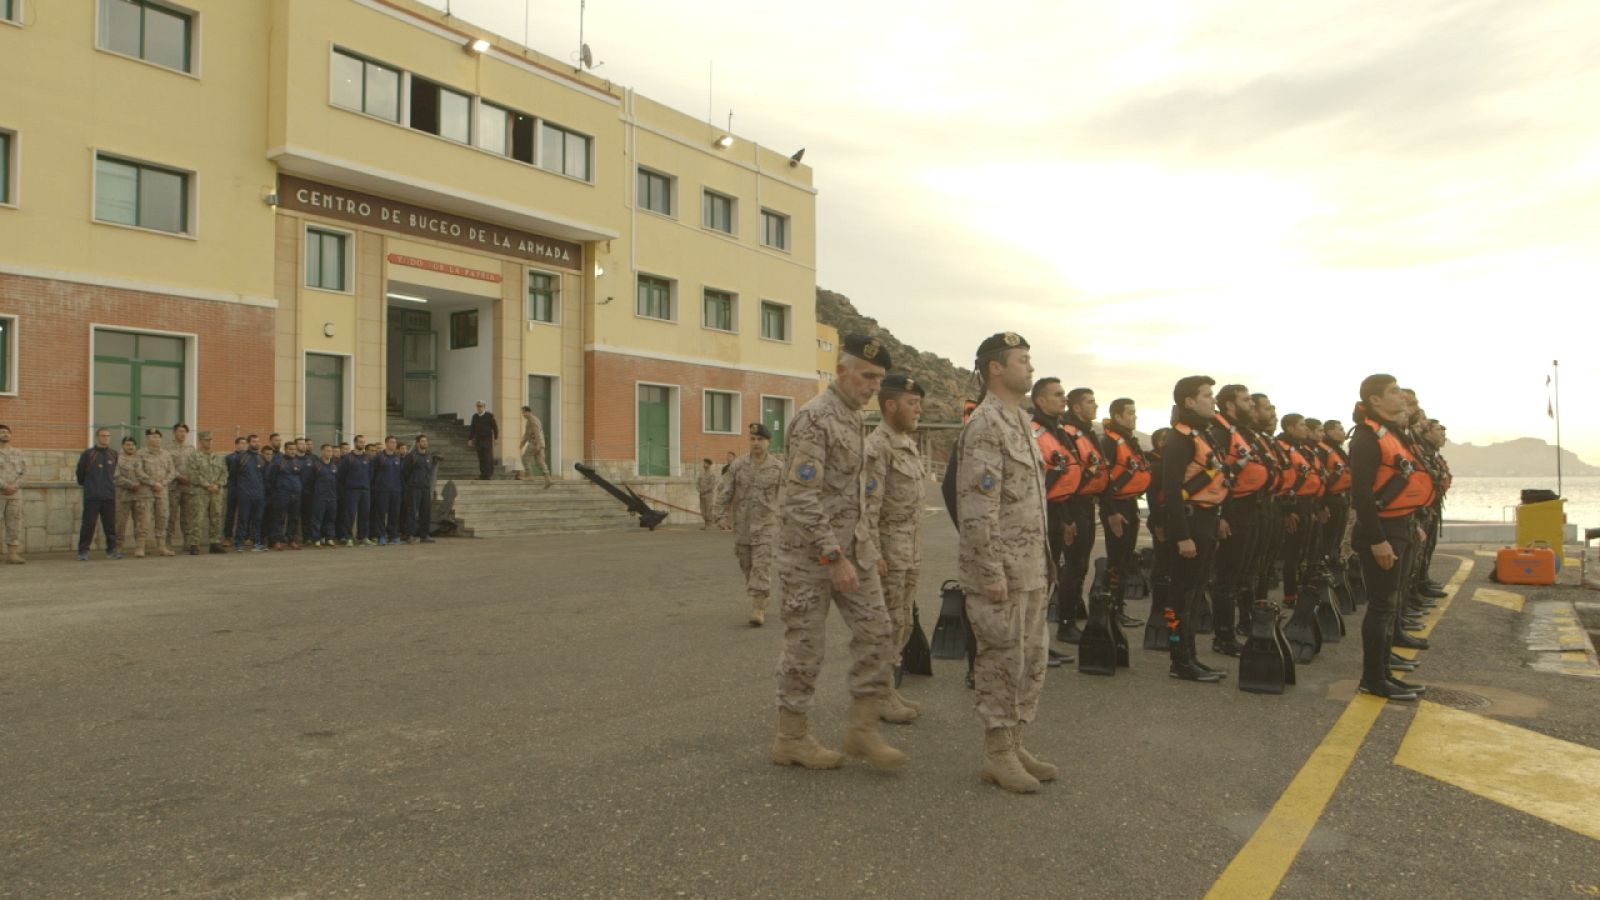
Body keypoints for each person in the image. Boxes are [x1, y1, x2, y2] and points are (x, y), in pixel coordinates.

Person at [770, 333, 905, 771]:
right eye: (866, 376)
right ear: (841, 370)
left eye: (879, 379)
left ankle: (862, 729)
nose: (873, 386)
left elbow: (855, 496)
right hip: (811, 557)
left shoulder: (852, 419)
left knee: (878, 631)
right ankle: (791, 738)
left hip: (854, 553)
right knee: (805, 648)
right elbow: (801, 497)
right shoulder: (816, 419)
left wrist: (866, 548)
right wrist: (833, 556)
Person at [957, 332, 1054, 793]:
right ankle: (997, 753)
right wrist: (990, 571)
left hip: (1031, 567)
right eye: (1023, 360)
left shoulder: (1020, 421)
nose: (1030, 368)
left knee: (1030, 659)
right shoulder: (985, 424)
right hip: (1002, 573)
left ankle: (1015, 742)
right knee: (1000, 660)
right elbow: (978, 507)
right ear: (996, 368)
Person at [1348, 374, 1433, 699]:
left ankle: (1384, 672)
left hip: (1401, 526)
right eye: (1394, 391)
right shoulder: (1366, 438)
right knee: (1381, 606)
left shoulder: (1393, 434)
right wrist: (1377, 539)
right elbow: (1362, 495)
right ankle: (1372, 678)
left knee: (1390, 602)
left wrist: (1414, 524)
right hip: (1382, 532)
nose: (1401, 396)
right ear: (1376, 401)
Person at [864, 373, 929, 722]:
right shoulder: (878, 447)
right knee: (886, 624)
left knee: (901, 622)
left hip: (909, 552)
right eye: (911, 403)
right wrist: (874, 554)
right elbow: (868, 506)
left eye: (919, 402)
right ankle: (878, 695)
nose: (918, 409)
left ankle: (887, 689)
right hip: (888, 554)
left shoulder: (906, 442)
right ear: (890, 405)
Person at [1159, 376, 1230, 683]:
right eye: (1206, 395)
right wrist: (1182, 536)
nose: (1212, 400)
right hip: (1191, 524)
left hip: (1206, 521)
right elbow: (1170, 492)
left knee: (1195, 593)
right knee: (1181, 596)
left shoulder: (1204, 435)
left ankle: (1191, 657)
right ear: (1189, 402)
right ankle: (1180, 660)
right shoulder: (1180, 439)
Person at [1209, 386, 1269, 656]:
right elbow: (1216, 477)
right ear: (1230, 405)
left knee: (1244, 573)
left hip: (1251, 509)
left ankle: (1242, 624)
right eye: (1246, 401)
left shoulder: (1241, 431)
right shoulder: (1220, 432)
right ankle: (1223, 637)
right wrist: (1220, 515)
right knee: (1227, 578)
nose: (1251, 406)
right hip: (1233, 512)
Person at [718, 423, 784, 626]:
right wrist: (720, 515)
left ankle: (758, 606)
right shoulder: (738, 465)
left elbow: (787, 497)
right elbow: (724, 491)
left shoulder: (778, 468)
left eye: (760, 440)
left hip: (766, 526)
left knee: (761, 566)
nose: (756, 443)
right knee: (746, 564)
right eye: (753, 439)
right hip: (743, 526)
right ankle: (761, 595)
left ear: (768, 442)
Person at [1099, 398, 1151, 628]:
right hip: (1116, 508)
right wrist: (1110, 512)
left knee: (1125, 560)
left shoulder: (1128, 441)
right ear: (1118, 417)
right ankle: (1109, 610)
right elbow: (1104, 480)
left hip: (1129, 504)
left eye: (1135, 412)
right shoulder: (1109, 442)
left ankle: (1118, 608)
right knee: (1116, 561)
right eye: (1130, 413)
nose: (1134, 417)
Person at [76, 428, 121, 561]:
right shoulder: (89, 454)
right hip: (92, 496)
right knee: (88, 525)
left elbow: (116, 474)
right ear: (97, 437)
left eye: (108, 436)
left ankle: (111, 550)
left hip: (109, 495)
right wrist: (90, 487)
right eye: (103, 436)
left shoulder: (114, 454)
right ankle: (83, 551)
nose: (105, 438)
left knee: (110, 525)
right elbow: (80, 474)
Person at [184, 430, 229, 555]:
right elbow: (193, 474)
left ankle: (215, 543)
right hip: (200, 492)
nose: (208, 442)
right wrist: (207, 485)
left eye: (210, 440)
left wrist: (218, 484)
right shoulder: (194, 456)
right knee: (197, 518)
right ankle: (194, 544)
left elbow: (224, 473)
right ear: (200, 441)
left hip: (216, 492)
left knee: (216, 517)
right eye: (206, 440)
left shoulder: (218, 457)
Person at [134, 428, 177, 558]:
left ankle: (162, 547)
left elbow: (172, 471)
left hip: (162, 491)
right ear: (147, 439)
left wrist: (162, 483)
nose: (156, 439)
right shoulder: (140, 453)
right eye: (153, 436)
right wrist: (153, 483)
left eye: (158, 437)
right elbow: (138, 471)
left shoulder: (166, 454)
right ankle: (140, 547)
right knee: (144, 519)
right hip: (146, 491)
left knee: (162, 518)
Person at [266, 441, 306, 550]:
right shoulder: (278, 462)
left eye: (294, 449)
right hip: (282, 495)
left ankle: (291, 540)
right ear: (285, 450)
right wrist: (278, 490)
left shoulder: (298, 462)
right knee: (279, 518)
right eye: (290, 449)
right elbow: (270, 478)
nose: (293, 451)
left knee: (294, 518)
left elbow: (301, 478)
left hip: (296, 495)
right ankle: (277, 541)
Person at [233, 439, 269, 552]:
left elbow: (264, 477)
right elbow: (234, 476)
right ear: (248, 443)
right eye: (253, 441)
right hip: (245, 494)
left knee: (257, 520)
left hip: (259, 495)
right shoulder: (241, 457)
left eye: (258, 441)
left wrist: (261, 492)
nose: (257, 443)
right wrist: (240, 491)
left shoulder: (261, 458)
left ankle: (257, 543)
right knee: (243, 519)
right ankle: (239, 543)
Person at [403, 435, 437, 543]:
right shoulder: (411, 456)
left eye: (426, 441)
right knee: (412, 512)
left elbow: (430, 471)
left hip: (426, 488)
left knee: (425, 512)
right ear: (417, 443)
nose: (425, 443)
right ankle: (410, 535)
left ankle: (424, 535)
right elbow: (405, 471)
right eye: (422, 441)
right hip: (414, 488)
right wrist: (411, 483)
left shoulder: (428, 456)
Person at [341, 436, 375, 546]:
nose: (362, 444)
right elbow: (342, 474)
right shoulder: (348, 457)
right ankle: (348, 537)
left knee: (364, 514)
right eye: (360, 442)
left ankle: (364, 536)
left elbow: (371, 473)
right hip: (351, 490)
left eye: (364, 442)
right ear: (355, 443)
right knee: (350, 514)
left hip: (365, 490)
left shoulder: (367, 458)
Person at [166, 423, 195, 551]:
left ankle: (187, 542)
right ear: (174, 433)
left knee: (187, 515)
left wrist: (190, 477)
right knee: (170, 515)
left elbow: (195, 465)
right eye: (179, 431)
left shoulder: (191, 448)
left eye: (184, 431)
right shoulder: (167, 449)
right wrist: (178, 476)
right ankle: (167, 542)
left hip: (188, 487)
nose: (182, 434)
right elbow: (167, 466)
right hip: (173, 486)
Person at [114, 436, 143, 555]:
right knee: (120, 523)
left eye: (132, 445)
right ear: (123, 446)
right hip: (123, 496)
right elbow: (116, 477)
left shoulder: (139, 459)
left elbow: (145, 474)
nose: (130, 447)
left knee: (140, 522)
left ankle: (139, 547)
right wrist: (131, 485)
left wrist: (141, 483)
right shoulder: (117, 459)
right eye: (127, 445)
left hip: (139, 496)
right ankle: (118, 547)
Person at [0, 424, 25, 564]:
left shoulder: (18, 453)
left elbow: (24, 473)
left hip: (14, 494)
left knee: (14, 523)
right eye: (2, 432)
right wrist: (3, 486)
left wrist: (14, 486)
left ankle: (12, 555)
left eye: (7, 432)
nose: (5, 434)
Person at [307, 443, 341, 547]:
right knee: (317, 519)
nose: (329, 453)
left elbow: (338, 481)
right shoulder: (316, 465)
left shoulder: (335, 465)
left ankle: (329, 538)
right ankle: (316, 538)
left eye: (331, 451)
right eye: (327, 451)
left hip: (332, 497)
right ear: (322, 451)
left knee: (330, 518)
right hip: (319, 497)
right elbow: (310, 481)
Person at [374, 436, 404, 545]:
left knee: (394, 514)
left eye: (395, 442)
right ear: (386, 443)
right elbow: (373, 473)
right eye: (391, 442)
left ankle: (393, 535)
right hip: (382, 490)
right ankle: (381, 536)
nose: (394, 444)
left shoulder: (397, 457)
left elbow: (401, 474)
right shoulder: (379, 457)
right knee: (381, 514)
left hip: (396, 490)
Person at [222, 436, 249, 548]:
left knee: (245, 514)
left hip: (246, 489)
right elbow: (225, 472)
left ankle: (244, 537)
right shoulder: (229, 458)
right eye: (241, 443)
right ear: (236, 445)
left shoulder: (250, 457)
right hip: (233, 488)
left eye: (245, 443)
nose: (243, 445)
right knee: (230, 513)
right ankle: (227, 537)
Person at [517, 406, 553, 487]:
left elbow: (537, 433)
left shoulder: (532, 420)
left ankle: (529, 475)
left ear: (528, 412)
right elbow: (527, 434)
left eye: (523, 412)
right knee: (540, 461)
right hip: (539, 443)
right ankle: (548, 479)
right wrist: (522, 443)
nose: (523, 414)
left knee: (525, 458)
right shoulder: (531, 420)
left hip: (535, 443)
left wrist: (538, 444)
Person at [469, 401, 499, 481]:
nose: (479, 408)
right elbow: (472, 429)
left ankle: (488, 474)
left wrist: (496, 438)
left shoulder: (489, 416)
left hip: (487, 439)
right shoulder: (475, 416)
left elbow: (495, 427)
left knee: (487, 457)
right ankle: (482, 474)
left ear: (484, 407)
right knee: (481, 457)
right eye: (478, 406)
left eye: (481, 406)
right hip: (478, 440)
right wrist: (470, 439)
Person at [695, 459, 718, 529]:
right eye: (704, 463)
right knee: (703, 510)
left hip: (708, 495)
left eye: (706, 463)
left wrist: (704, 490)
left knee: (708, 509)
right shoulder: (701, 474)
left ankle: (709, 525)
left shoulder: (712, 474)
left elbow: (712, 485)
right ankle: (705, 524)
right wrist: (699, 489)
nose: (704, 464)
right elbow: (697, 483)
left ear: (709, 465)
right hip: (701, 494)